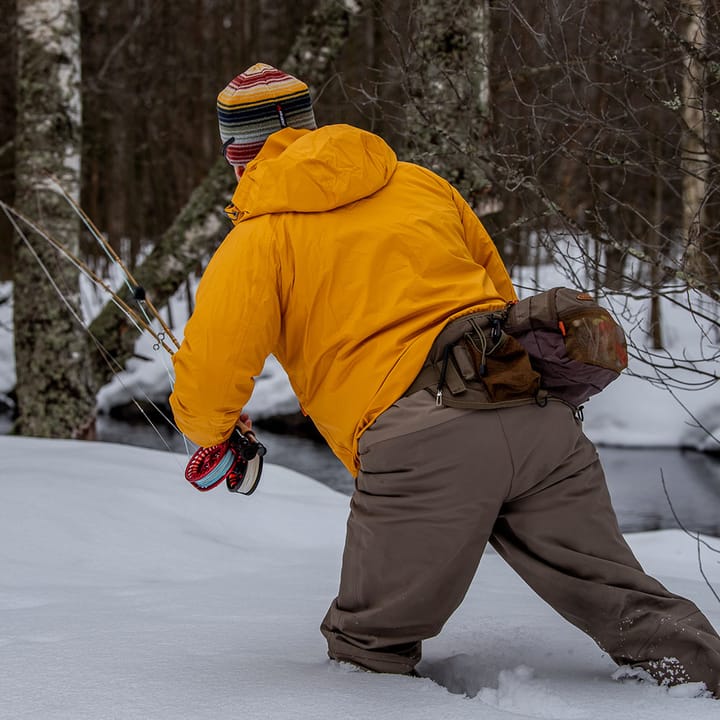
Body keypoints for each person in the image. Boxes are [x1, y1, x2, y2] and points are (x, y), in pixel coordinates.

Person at [169, 62, 720, 696]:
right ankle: (703, 680)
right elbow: (500, 293)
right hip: (533, 411)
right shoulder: (420, 184)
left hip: (423, 447)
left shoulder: (260, 238)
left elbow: (212, 377)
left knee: (367, 652)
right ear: (309, 125)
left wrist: (211, 432)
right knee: (634, 610)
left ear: (239, 154)